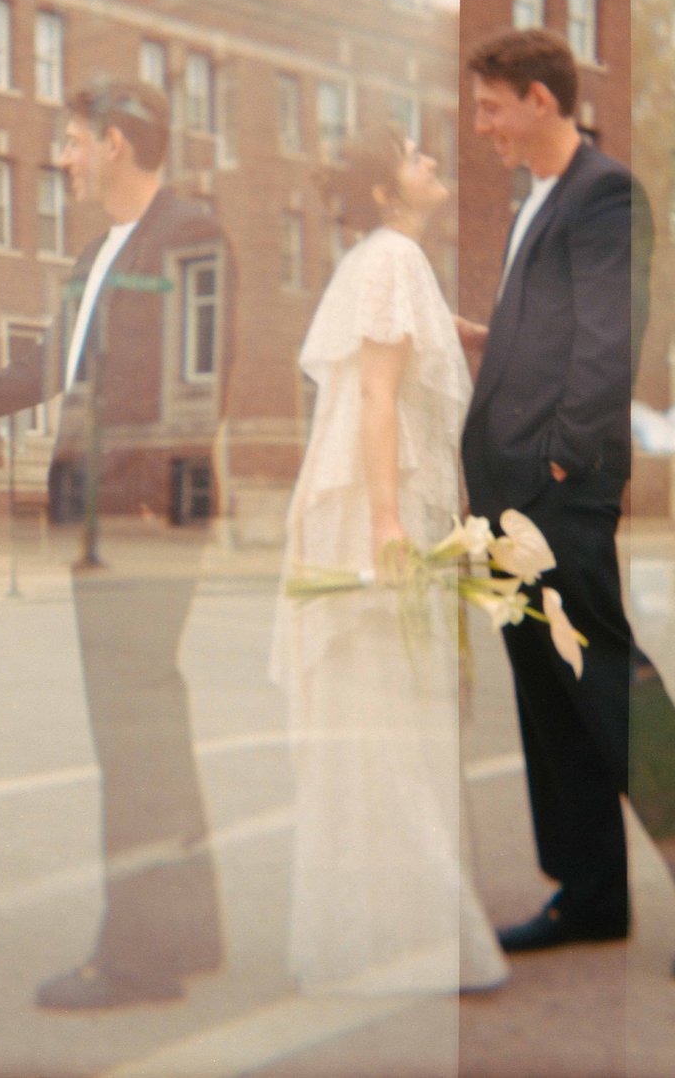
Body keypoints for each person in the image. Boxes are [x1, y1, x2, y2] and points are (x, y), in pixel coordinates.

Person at [0, 81, 233, 1010]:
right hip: (98, 512)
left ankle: (139, 961)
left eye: (71, 142)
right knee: (151, 721)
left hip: (143, 515)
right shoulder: (96, 251)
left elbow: (203, 377)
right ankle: (186, 933)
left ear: (114, 144)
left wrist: (154, 502)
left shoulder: (191, 232)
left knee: (133, 733)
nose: (61, 158)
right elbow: (47, 368)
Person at [460, 28, 675, 982]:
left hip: (552, 494)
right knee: (550, 693)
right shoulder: (541, 202)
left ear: (540, 100)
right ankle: (591, 892)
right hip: (506, 494)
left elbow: (608, 342)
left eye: (491, 106)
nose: (481, 125)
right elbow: (549, 336)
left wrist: (560, 468)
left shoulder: (604, 195)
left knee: (610, 691)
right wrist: (479, 337)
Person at [272, 125, 508, 996]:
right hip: (381, 502)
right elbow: (376, 391)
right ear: (382, 192)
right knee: (394, 714)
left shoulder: (387, 261)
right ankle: (419, 933)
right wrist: (384, 523)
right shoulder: (391, 260)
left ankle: (379, 927)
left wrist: (508, 336)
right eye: (416, 157)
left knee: (388, 714)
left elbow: (438, 337)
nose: (433, 164)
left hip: (381, 496)